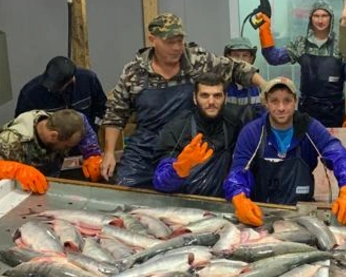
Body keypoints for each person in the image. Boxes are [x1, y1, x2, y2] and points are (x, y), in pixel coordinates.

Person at [100, 13, 264, 189]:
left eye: (180, 41)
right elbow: (116, 113)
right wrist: (109, 153)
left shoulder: (196, 60)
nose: (177, 47)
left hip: (185, 148)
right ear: (152, 40)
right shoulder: (134, 71)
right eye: (170, 42)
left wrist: (265, 85)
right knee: (126, 192)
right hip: (145, 149)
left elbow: (236, 68)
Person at [224, 76, 346, 226]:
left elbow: (339, 155)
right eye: (274, 101)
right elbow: (238, 170)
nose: (281, 108)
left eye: (287, 100)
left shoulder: (310, 127)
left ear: (295, 101)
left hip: (302, 216)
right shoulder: (252, 132)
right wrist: (239, 198)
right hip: (260, 215)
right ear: (266, 103)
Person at [0, 108, 99, 205]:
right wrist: (15, 170)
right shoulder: (14, 140)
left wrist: (91, 153)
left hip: (40, 191)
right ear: (54, 136)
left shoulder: (60, 121)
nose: (68, 149)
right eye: (66, 146)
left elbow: (82, 121)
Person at [255, 0, 346, 128]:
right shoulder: (301, 44)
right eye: (316, 16)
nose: (320, 20)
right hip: (307, 111)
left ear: (331, 18)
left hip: (335, 113)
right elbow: (273, 58)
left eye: (324, 16)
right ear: (311, 18)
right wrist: (265, 30)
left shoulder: (342, 45)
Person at [152, 74, 245, 198]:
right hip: (184, 203)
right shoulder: (176, 128)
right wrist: (179, 169)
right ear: (195, 98)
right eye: (204, 95)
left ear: (225, 97)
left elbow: (240, 168)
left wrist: (237, 192)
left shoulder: (234, 124)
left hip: (222, 202)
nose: (211, 102)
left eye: (217, 96)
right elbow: (160, 182)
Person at [15, 55, 107, 127]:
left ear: (72, 80)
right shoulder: (29, 93)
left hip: (85, 135)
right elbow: (22, 124)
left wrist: (95, 128)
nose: (50, 88)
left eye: (57, 86)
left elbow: (102, 109)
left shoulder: (89, 80)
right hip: (51, 140)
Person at [223, 38, 263, 114]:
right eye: (236, 55)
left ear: (251, 59)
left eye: (245, 55)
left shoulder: (259, 87)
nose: (240, 60)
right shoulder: (220, 86)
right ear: (227, 58)